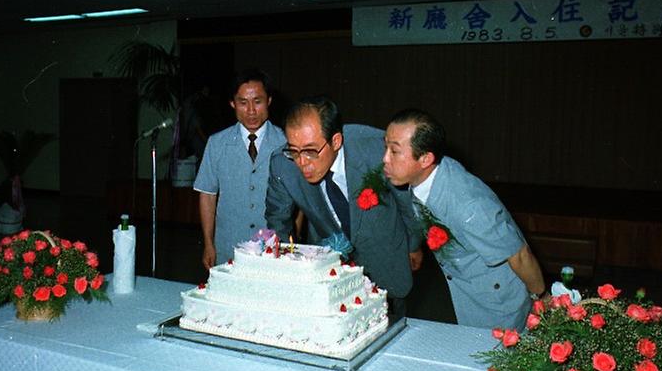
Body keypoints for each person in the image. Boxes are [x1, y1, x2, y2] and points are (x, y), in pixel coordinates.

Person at [382, 108, 545, 330]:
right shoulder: (426, 174)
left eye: (394, 151)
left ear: (426, 158)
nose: (385, 159)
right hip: (466, 289)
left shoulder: (468, 205)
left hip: (497, 302)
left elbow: (519, 255)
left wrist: (542, 296)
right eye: (386, 147)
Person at [265, 96, 423, 318]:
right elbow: (277, 221)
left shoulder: (378, 150)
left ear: (336, 141)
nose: (302, 162)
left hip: (384, 257)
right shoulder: (283, 164)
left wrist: (413, 244)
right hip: (331, 269)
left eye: (310, 151)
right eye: (293, 150)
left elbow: (407, 202)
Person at [193, 69, 286, 269]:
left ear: (269, 100)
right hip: (228, 247)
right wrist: (209, 244)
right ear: (232, 103)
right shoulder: (216, 143)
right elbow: (207, 195)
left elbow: (297, 199)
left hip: (273, 250)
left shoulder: (286, 142)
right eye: (243, 102)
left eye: (258, 101)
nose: (251, 110)